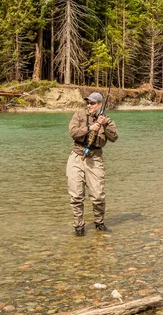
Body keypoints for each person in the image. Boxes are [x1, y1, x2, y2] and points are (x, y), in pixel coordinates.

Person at [66, 92, 118, 236]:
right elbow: (73, 132)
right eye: (88, 103)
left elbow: (114, 137)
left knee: (98, 196)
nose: (89, 105)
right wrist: (90, 128)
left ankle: (99, 223)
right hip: (77, 156)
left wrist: (104, 124)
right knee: (76, 196)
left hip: (95, 158)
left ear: (100, 104)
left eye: (92, 103)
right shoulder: (79, 115)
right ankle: (79, 227)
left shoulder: (106, 120)